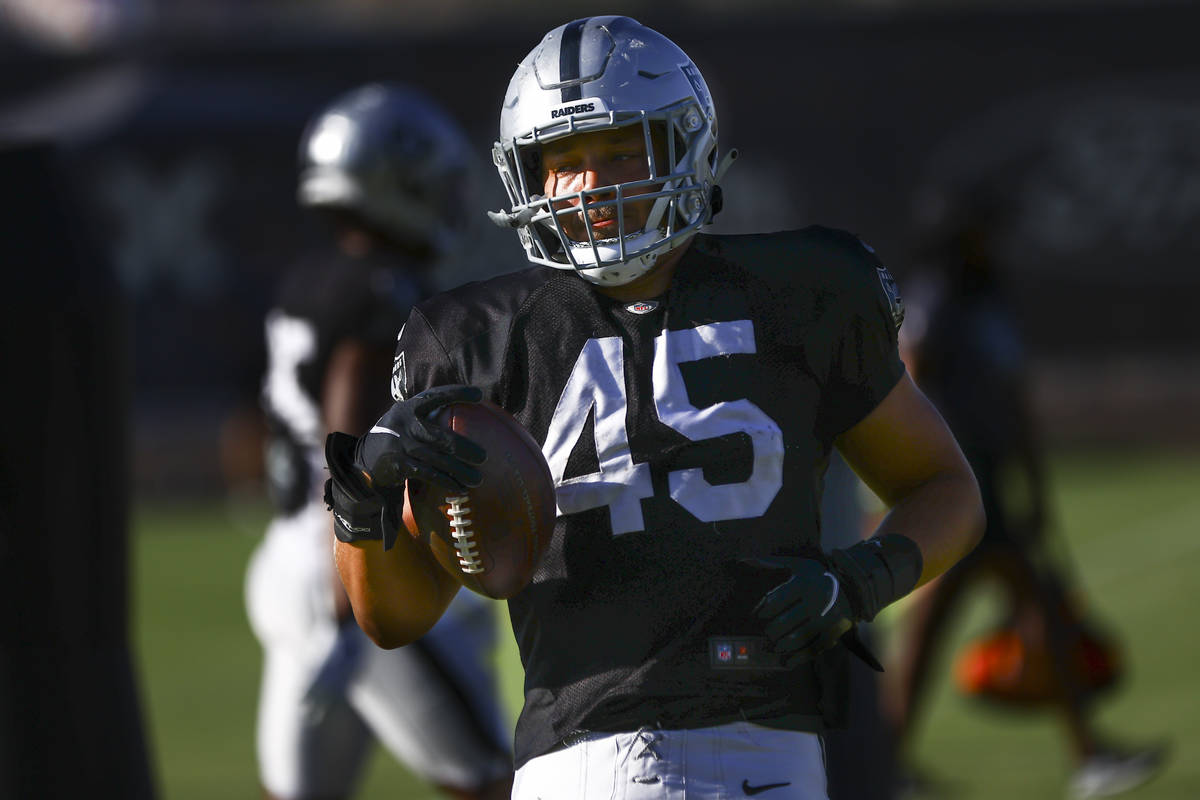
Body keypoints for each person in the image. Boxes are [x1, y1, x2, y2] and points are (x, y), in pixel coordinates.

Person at [325, 17, 984, 799]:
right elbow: (394, 619)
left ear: (685, 143)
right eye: (563, 161)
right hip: (583, 753)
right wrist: (364, 503)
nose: (590, 183)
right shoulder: (476, 339)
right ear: (526, 177)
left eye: (617, 149)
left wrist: (862, 578)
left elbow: (946, 489)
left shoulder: (800, 291)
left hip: (770, 748)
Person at [243, 83, 514, 800]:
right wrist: (346, 595)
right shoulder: (384, 291)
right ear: (391, 183)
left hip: (289, 554)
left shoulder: (309, 279)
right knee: (494, 781)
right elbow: (353, 436)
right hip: (350, 569)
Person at [884, 191, 1166, 799]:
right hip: (961, 492)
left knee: (1021, 614)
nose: (994, 239)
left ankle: (1087, 755)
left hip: (990, 488)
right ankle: (1086, 755)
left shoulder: (987, 297)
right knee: (962, 625)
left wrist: (1032, 483)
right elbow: (910, 373)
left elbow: (1012, 402)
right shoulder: (939, 294)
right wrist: (916, 475)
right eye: (984, 228)